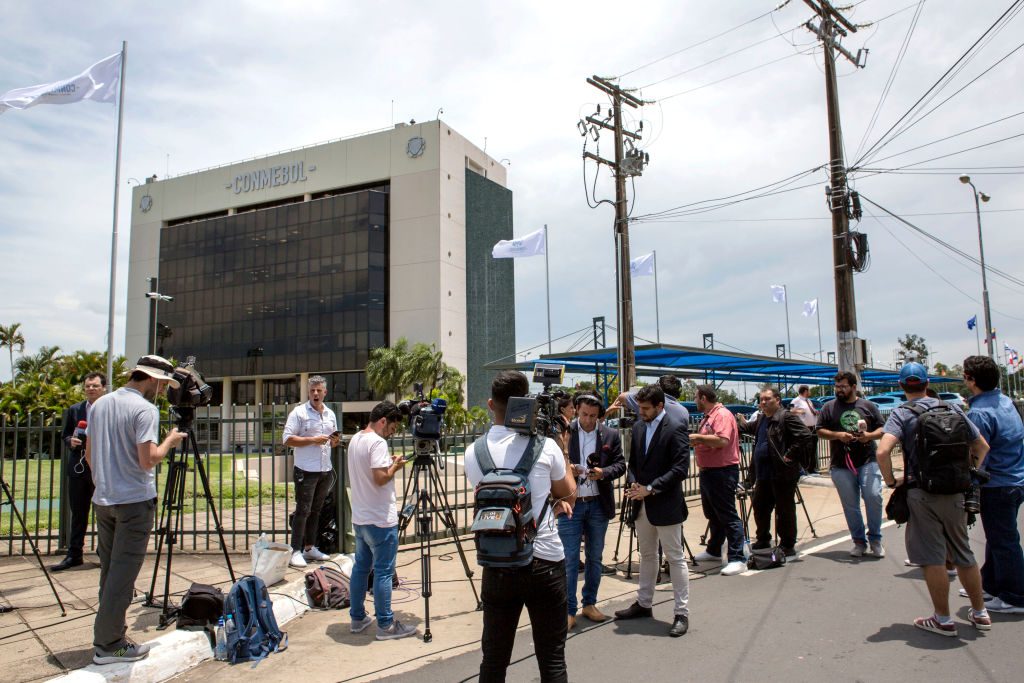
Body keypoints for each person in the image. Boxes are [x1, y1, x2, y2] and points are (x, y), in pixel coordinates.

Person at [464, 370, 576, 682]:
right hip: (545, 562)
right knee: (552, 660)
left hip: (498, 563)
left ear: (491, 404)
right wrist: (563, 447)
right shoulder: (547, 446)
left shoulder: (473, 452)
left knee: (494, 661)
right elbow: (569, 496)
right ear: (527, 403)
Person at [877, 362, 992, 636]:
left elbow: (883, 452)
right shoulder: (952, 409)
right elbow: (981, 446)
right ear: (927, 383)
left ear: (902, 386)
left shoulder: (901, 413)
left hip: (923, 492)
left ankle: (943, 619)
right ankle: (980, 613)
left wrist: (892, 481)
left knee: (933, 558)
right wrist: (968, 471)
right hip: (956, 490)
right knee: (963, 552)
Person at [85, 355, 187, 664]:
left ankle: (111, 632)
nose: (161, 391)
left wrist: (105, 481)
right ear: (154, 380)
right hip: (134, 501)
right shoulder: (145, 410)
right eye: (162, 385)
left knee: (110, 570)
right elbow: (148, 459)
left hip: (104, 500)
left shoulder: (100, 404)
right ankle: (109, 643)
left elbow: (90, 454)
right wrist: (170, 440)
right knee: (124, 574)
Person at [613, 384, 692, 637]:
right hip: (641, 502)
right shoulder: (637, 427)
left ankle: (681, 613)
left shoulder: (676, 429)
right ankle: (644, 603)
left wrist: (651, 488)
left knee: (674, 557)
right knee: (647, 555)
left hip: (665, 502)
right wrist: (635, 484)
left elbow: (680, 469)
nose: (640, 412)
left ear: (660, 406)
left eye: (645, 409)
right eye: (639, 408)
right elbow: (633, 462)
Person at [346, 401, 417, 640]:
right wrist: (395, 467)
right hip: (380, 519)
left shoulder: (356, 439)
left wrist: (389, 463)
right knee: (384, 572)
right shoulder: (377, 442)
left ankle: (357, 618)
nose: (392, 433)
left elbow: (368, 473)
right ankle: (385, 625)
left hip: (361, 517)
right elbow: (379, 479)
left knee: (361, 569)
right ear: (383, 420)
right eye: (392, 428)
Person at [962, 355, 1024, 614]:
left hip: (997, 484)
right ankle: (990, 584)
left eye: (965, 375)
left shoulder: (979, 412)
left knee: (1004, 540)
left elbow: (977, 453)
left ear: (972, 380)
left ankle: (1014, 596)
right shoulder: (1005, 402)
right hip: (1014, 479)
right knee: (998, 537)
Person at [558, 394, 624, 629]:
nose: (588, 420)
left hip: (598, 503)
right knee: (569, 559)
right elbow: (551, 462)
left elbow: (620, 464)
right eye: (584, 414)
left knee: (595, 556)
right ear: (576, 410)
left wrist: (603, 472)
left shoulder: (610, 435)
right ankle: (568, 610)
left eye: (593, 416)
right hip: (571, 504)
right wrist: (569, 469)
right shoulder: (564, 432)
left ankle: (590, 603)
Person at [816, 372, 886, 557]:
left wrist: (869, 436)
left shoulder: (868, 406)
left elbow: (882, 428)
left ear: (854, 387)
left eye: (843, 386)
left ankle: (876, 539)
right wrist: (838, 435)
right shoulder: (828, 407)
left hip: (867, 460)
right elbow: (819, 430)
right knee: (850, 505)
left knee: (873, 497)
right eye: (837, 387)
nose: (839, 390)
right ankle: (859, 541)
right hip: (841, 464)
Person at [737, 387, 812, 557]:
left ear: (777, 400)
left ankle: (787, 544)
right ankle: (763, 538)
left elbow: (805, 435)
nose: (763, 402)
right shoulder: (763, 419)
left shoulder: (786, 417)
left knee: (784, 509)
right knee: (760, 506)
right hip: (763, 473)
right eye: (761, 399)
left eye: (767, 399)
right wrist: (736, 420)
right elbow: (747, 427)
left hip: (782, 473)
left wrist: (789, 455)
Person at [282, 375, 340, 568]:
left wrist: (334, 442)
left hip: (324, 469)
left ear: (325, 392)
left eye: (319, 390)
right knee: (302, 511)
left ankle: (310, 547)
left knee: (316, 510)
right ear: (308, 392)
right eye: (312, 390)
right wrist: (313, 440)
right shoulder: (299, 413)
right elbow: (287, 439)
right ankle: (295, 550)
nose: (315, 393)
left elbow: (333, 439)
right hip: (306, 470)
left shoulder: (330, 414)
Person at [51, 371, 106, 572]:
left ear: (104, 388)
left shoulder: (109, 408)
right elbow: (65, 435)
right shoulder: (75, 410)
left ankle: (104, 552)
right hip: (78, 466)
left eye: (95, 386)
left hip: (101, 466)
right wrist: (70, 442)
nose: (91, 389)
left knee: (105, 511)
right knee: (78, 512)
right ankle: (74, 554)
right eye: (88, 386)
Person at [690, 385, 746, 576]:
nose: (694, 400)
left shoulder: (721, 415)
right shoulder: (709, 416)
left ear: (703, 398)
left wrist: (698, 438)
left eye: (696, 397)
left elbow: (722, 440)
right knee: (713, 513)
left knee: (727, 515)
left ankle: (738, 557)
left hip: (722, 472)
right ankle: (714, 549)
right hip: (709, 471)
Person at [611, 374, 691, 425]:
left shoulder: (650, 400)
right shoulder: (684, 411)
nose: (642, 411)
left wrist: (645, 391)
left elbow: (621, 397)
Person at [790, 385, 818, 473]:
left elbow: (811, 410)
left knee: (813, 449)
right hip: (804, 429)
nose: (810, 392)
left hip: (813, 428)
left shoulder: (808, 401)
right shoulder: (796, 400)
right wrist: (799, 411)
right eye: (809, 390)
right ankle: (804, 468)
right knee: (806, 450)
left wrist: (815, 412)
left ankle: (812, 468)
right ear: (805, 391)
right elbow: (789, 410)